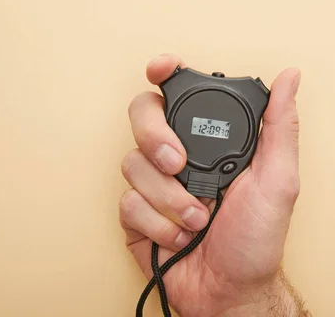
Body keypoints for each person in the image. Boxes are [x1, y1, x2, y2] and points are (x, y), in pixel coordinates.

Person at [120, 54, 310, 316]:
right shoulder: (250, 97)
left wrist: (245, 298)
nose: (211, 129)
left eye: (216, 129)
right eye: (207, 127)